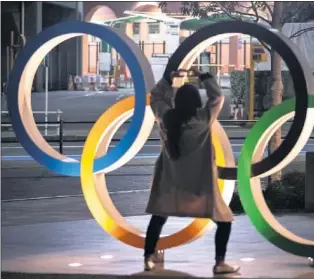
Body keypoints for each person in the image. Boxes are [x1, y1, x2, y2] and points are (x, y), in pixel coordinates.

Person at [144, 69, 240, 275]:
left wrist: (169, 78)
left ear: (177, 101)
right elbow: (217, 97)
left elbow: (155, 97)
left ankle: (148, 257)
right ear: (197, 101)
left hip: (171, 183)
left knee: (159, 216)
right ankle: (219, 262)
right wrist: (204, 76)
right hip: (200, 185)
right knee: (224, 220)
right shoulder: (203, 119)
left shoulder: (166, 119)